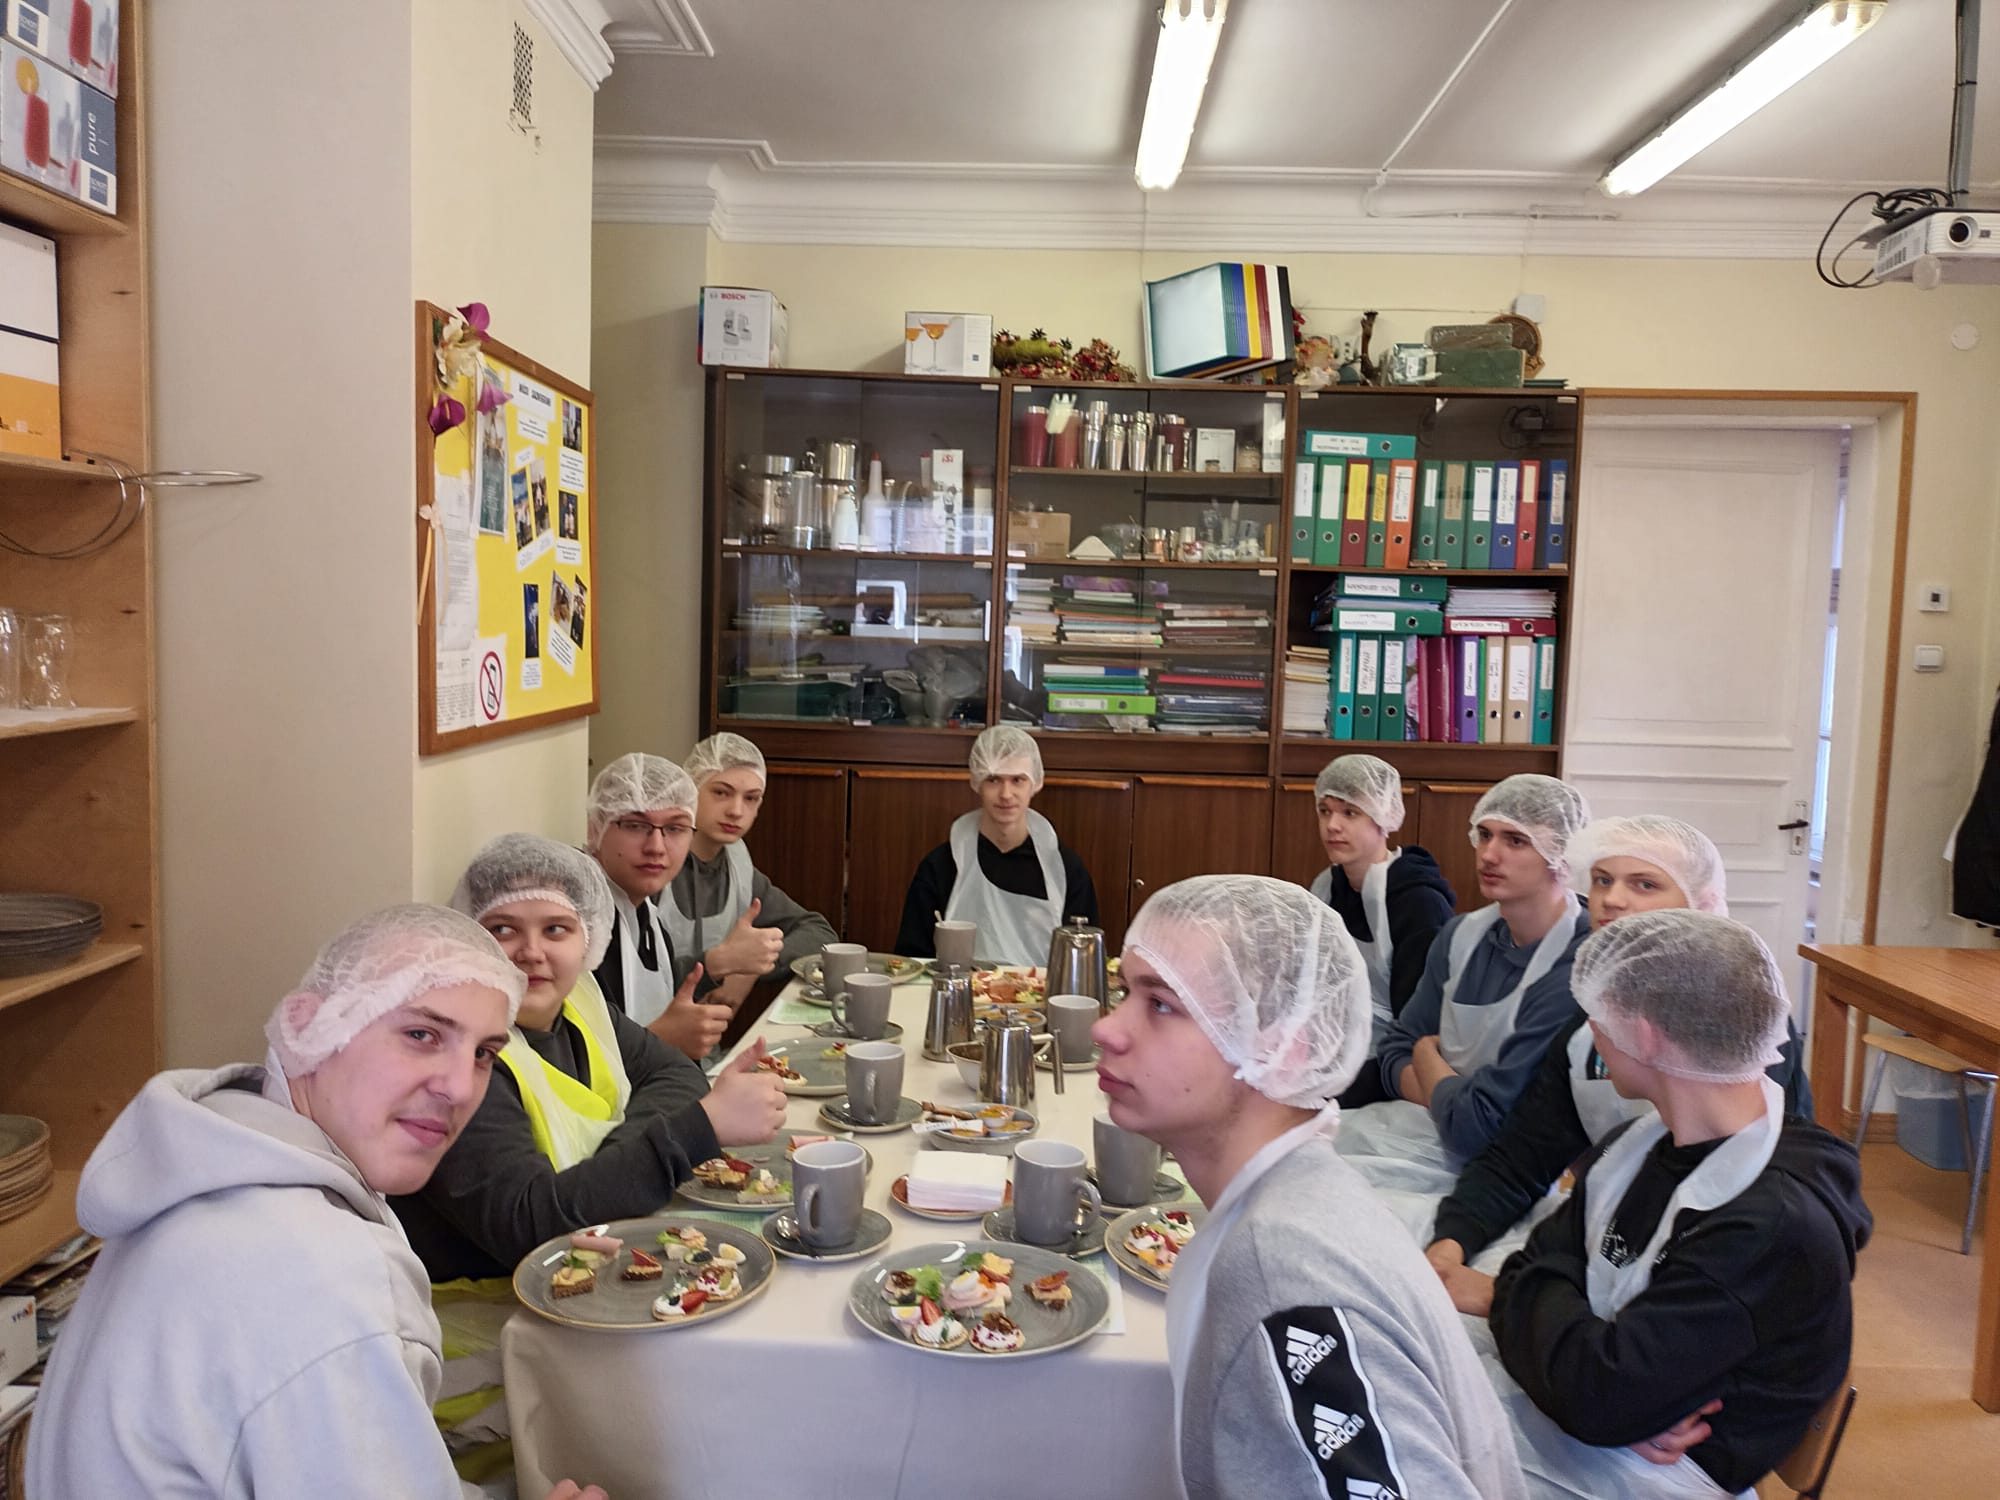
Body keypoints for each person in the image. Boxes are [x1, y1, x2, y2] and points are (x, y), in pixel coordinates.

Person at [26, 905, 608, 1500]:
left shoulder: (206, 1170)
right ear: (307, 1026)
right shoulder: (323, 1276)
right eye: (421, 1035)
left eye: (483, 1053)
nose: (460, 1087)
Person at [1093, 875, 1526, 1500]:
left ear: (1284, 1048)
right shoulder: (1295, 1200)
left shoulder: (1282, 1271)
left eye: (1162, 1004)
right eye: (1124, 993)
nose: (1108, 1029)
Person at [1485, 910, 1871, 1499]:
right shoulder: (1637, 1145)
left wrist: (1599, 1381)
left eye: (1598, 1015)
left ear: (1643, 1035)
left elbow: (1595, 1393)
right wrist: (1606, 1383)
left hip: (1665, 1478)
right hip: (1606, 1437)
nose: (1590, 1029)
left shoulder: (1771, 1225)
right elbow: (1527, 1265)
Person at [1425, 816, 1817, 1306]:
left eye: (1644, 884)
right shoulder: (1589, 1026)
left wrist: (1508, 1300)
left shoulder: (1739, 1026)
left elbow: (1744, 1211)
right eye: (1602, 880)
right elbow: (1520, 1159)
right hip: (1614, 1245)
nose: (1611, 900)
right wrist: (1451, 1242)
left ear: (1700, 903)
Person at [393, 834, 787, 1282]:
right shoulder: (462, 1061)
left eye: (555, 929)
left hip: (594, 1269)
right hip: (492, 1308)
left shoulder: (580, 999)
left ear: (590, 938)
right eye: (503, 929)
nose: (532, 953)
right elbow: (531, 1228)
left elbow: (677, 1073)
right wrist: (696, 1129)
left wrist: (607, 1170)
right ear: (469, 939)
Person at [1337, 775, 1592, 1192]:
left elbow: (1480, 1129)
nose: (1489, 854)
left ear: (1562, 854)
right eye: (1485, 834)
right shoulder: (1461, 937)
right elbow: (1393, 1054)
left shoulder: (1579, 962)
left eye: (1515, 841)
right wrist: (1455, 1099)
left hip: (1505, 1178)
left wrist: (1426, 1056)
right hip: (1420, 1136)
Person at [1308, 753, 1458, 1109]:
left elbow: (1418, 1029)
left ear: (1383, 819)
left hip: (1394, 1063)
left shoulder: (1418, 903)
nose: (1332, 825)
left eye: (1350, 813)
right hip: (1335, 1045)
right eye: (1325, 811)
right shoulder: (1326, 887)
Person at [664, 732, 837, 1014]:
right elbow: (628, 978)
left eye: (751, 798)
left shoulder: (736, 863)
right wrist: (721, 965)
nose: (736, 811)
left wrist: (749, 969)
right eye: (721, 792)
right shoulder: (654, 861)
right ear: (690, 789)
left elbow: (819, 932)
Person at [895, 724, 1099, 963]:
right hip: (961, 986)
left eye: (1017, 780)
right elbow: (912, 961)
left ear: (1035, 784)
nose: (1006, 794)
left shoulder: (1066, 870)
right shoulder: (941, 866)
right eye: (993, 780)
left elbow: (1083, 961)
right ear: (977, 783)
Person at [586, 751, 733, 1059]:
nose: (656, 847)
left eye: (675, 828)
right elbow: (564, 1061)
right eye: (635, 825)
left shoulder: (647, 918)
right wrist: (660, 1040)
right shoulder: (578, 925)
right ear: (595, 828)